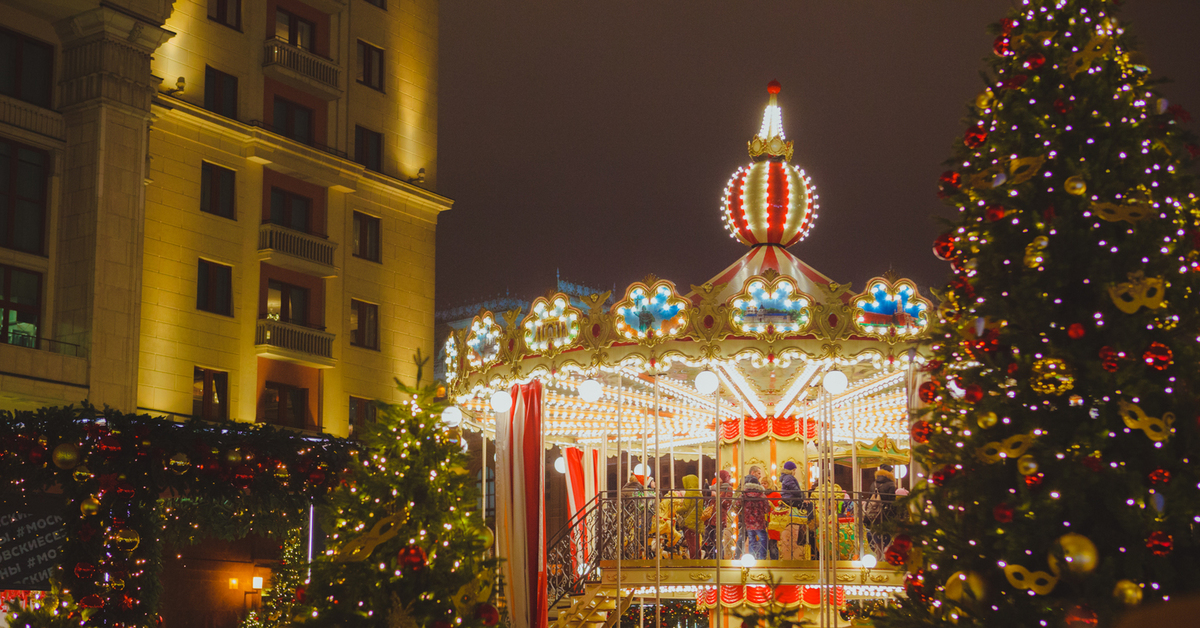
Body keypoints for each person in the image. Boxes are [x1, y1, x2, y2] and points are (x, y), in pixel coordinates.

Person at [702, 470, 733, 559]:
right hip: (710, 518)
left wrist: (717, 496)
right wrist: (707, 492)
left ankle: (720, 559)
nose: (717, 478)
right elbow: (707, 501)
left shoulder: (728, 488)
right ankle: (710, 558)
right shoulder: (714, 487)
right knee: (709, 540)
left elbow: (727, 503)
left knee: (718, 541)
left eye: (719, 476)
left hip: (719, 518)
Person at [739, 479, 770, 560]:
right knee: (763, 538)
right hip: (759, 522)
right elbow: (767, 508)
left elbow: (737, 505)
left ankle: (752, 557)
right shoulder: (761, 495)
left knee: (751, 539)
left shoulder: (744, 495)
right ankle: (762, 557)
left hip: (748, 522)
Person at [673, 474, 703, 558]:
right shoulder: (699, 493)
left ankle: (694, 560)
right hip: (697, 521)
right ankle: (698, 558)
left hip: (689, 522)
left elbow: (685, 507)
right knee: (696, 543)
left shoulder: (689, 493)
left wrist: (676, 509)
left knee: (691, 543)